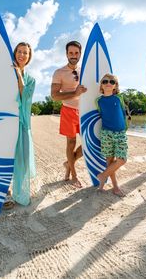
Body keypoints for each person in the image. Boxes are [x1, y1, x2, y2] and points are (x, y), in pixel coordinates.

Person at [51, 41, 87, 188]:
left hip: (85, 112)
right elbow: (54, 96)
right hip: (68, 111)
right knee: (71, 143)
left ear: (80, 54)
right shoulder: (59, 72)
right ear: (66, 54)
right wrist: (74, 93)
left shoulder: (85, 70)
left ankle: (68, 163)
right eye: (71, 53)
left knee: (88, 143)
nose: (74, 55)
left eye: (76, 53)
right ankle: (74, 175)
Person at [4, 42, 36, 209]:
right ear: (14, 52)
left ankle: (20, 191)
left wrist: (19, 75)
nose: (22, 55)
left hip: (21, 122)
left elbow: (25, 96)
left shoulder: (31, 79)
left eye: (25, 53)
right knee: (5, 155)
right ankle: (5, 191)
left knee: (22, 158)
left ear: (29, 57)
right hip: (5, 119)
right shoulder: (5, 73)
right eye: (19, 51)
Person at [96, 73, 128, 197]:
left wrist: (125, 128)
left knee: (122, 159)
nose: (108, 83)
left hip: (120, 133)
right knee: (109, 161)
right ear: (101, 86)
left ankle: (103, 176)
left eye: (111, 81)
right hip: (106, 133)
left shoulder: (119, 98)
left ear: (115, 86)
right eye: (105, 81)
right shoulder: (98, 101)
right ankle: (115, 187)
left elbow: (123, 114)